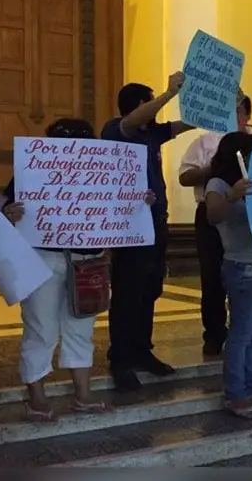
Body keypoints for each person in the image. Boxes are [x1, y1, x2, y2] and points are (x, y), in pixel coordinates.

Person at [2, 119, 151, 420]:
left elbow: (120, 208)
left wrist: (139, 201)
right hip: (42, 256)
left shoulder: (105, 172)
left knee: (79, 328)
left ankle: (81, 394)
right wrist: (9, 211)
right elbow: (7, 207)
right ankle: (38, 397)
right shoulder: (33, 169)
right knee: (40, 328)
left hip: (87, 260)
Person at [100, 73, 195, 392]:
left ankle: (142, 351)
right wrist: (169, 93)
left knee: (149, 289)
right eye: (150, 103)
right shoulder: (117, 129)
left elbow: (188, 123)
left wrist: (219, 103)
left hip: (156, 222)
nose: (154, 111)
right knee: (127, 293)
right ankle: (121, 359)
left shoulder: (153, 135)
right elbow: (133, 120)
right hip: (128, 227)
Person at [178, 94, 252, 357]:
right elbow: (186, 176)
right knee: (213, 274)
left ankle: (249, 331)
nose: (232, 115)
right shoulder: (205, 141)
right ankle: (215, 333)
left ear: (247, 115)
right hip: (215, 211)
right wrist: (219, 166)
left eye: (238, 110)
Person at [204, 131, 252, 419]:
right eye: (250, 153)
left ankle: (251, 388)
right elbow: (213, 216)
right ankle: (235, 394)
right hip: (241, 264)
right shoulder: (218, 182)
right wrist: (231, 194)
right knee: (240, 333)